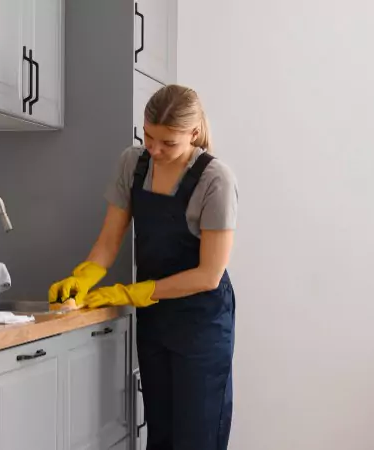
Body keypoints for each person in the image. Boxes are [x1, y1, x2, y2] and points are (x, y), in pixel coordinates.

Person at [48, 85, 238, 450]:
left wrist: (132, 292)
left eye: (167, 142)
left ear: (193, 133)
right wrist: (82, 277)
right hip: (155, 320)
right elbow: (108, 242)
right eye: (149, 136)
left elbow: (208, 274)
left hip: (202, 324)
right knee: (161, 435)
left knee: (197, 439)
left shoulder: (216, 180)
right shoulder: (132, 164)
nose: (154, 149)